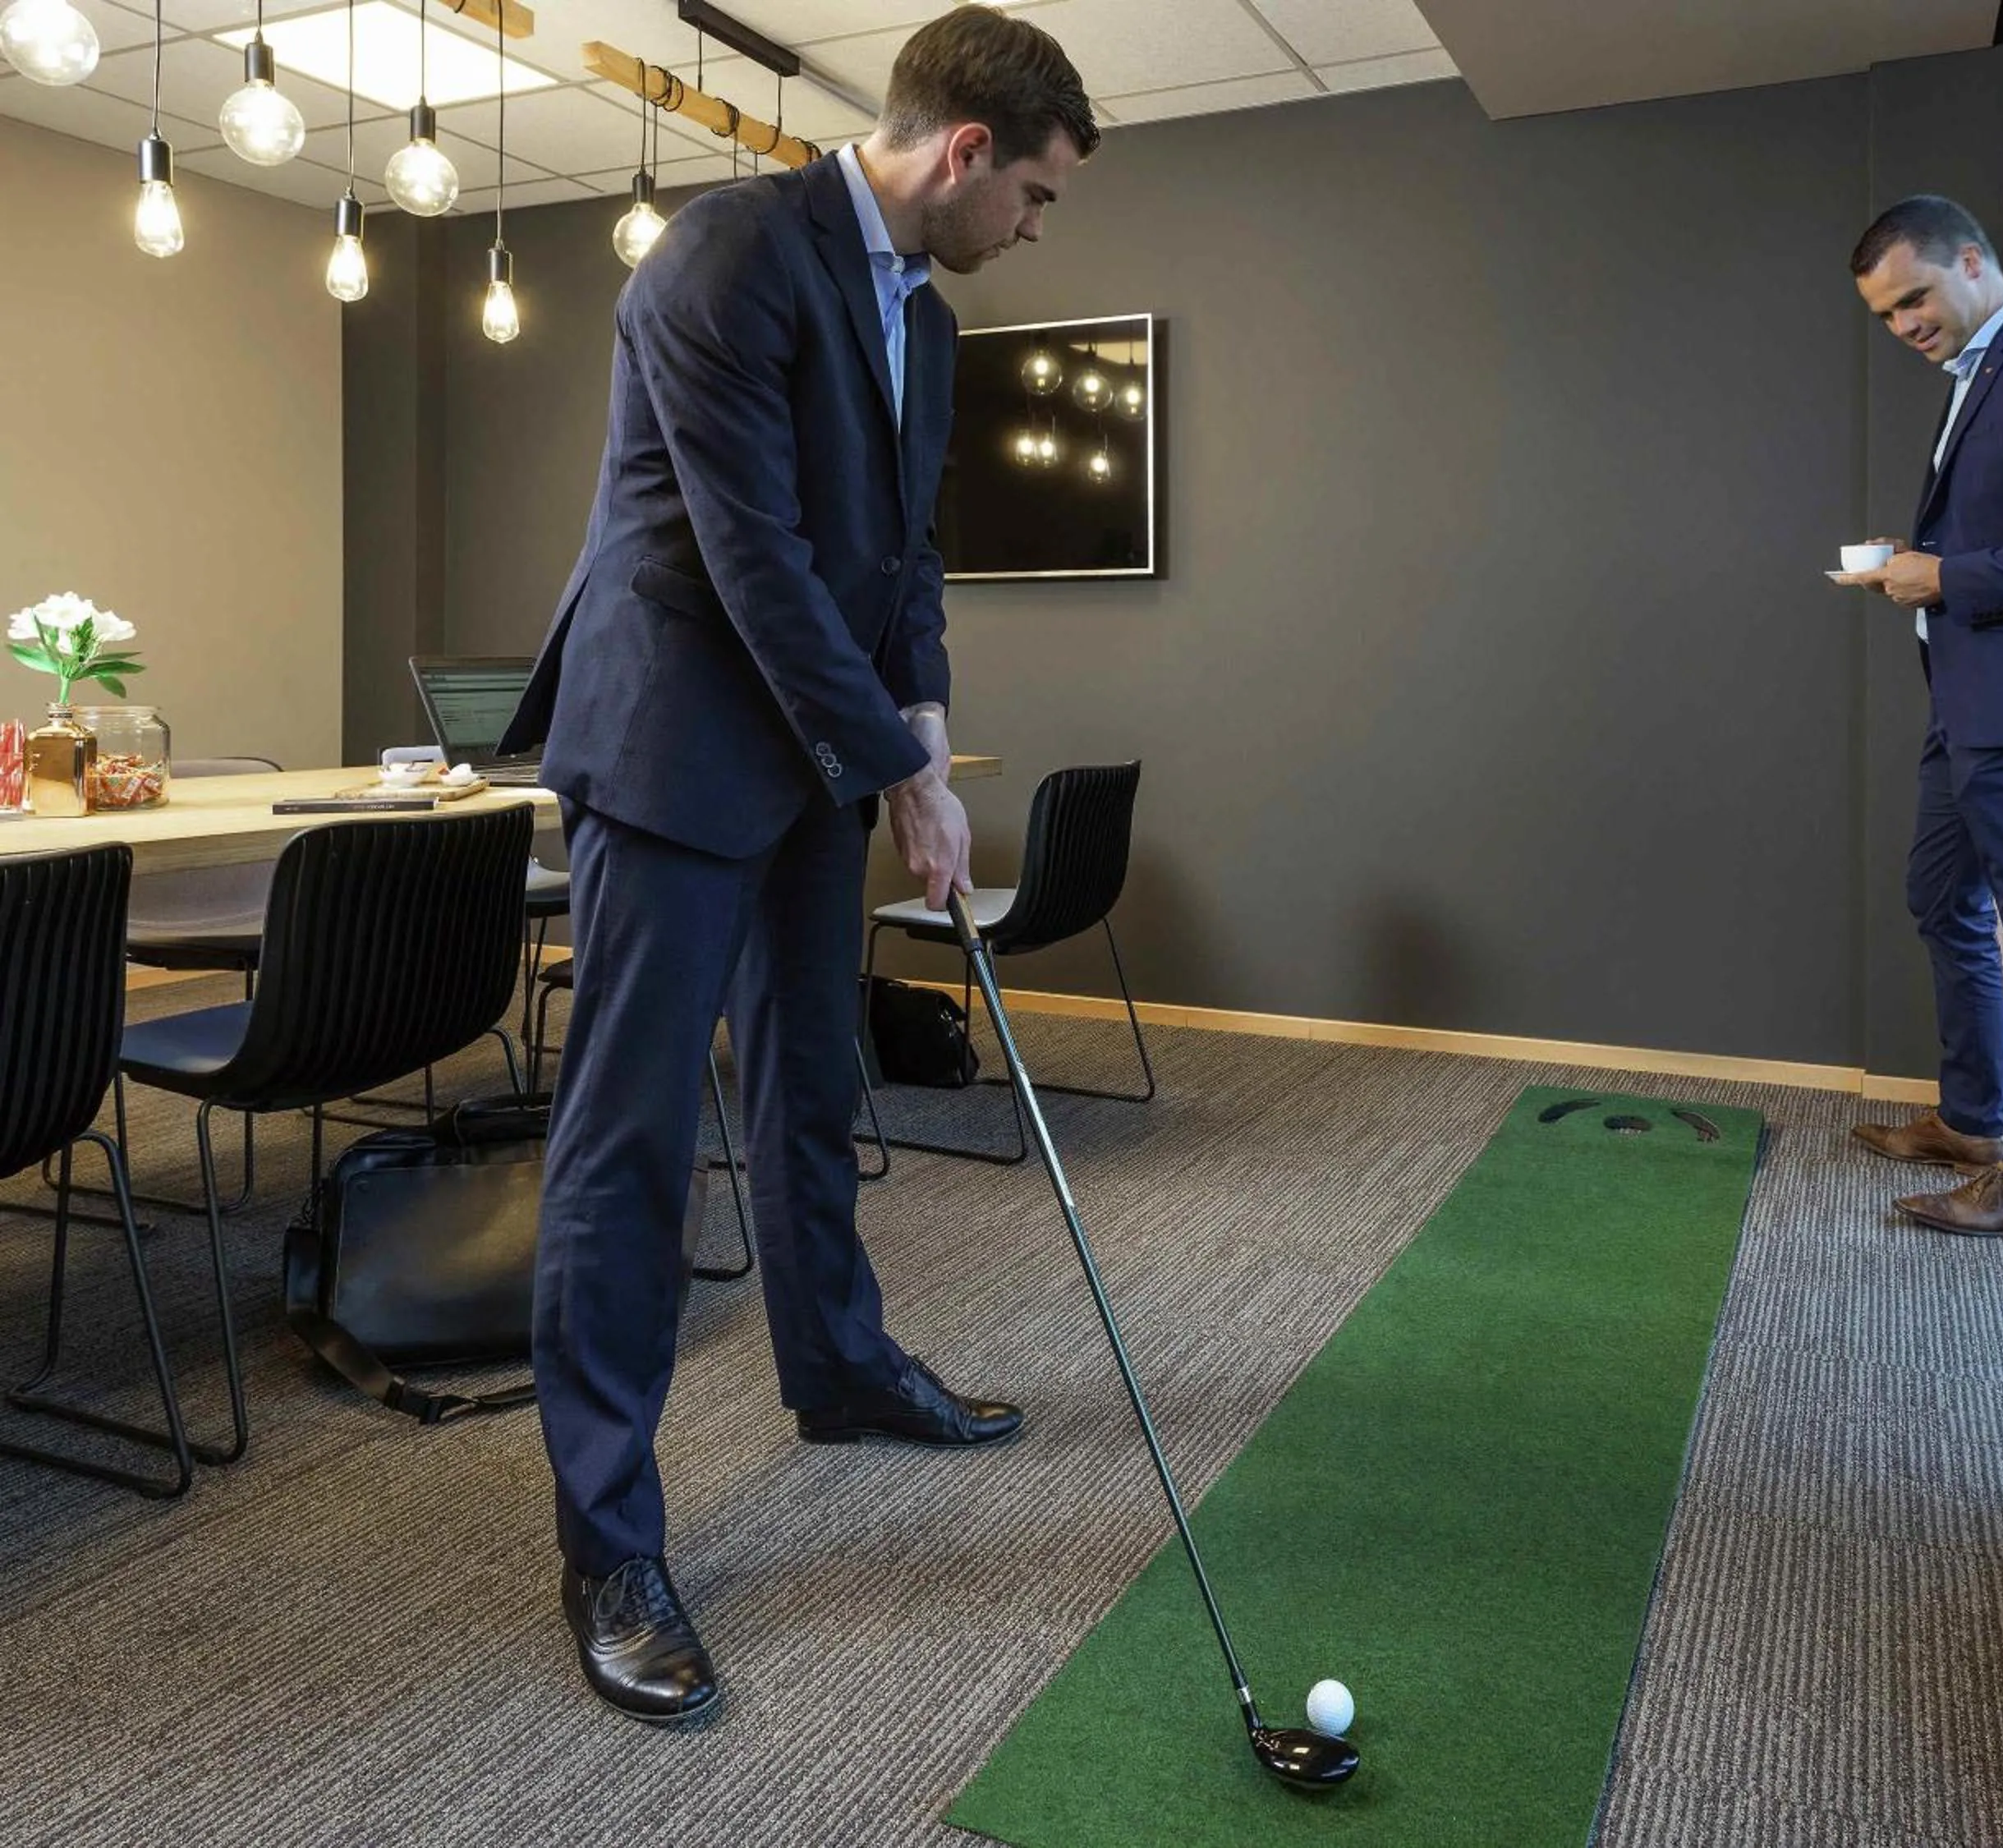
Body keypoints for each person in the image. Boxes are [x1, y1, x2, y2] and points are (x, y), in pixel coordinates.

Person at [498, 7, 1098, 1722]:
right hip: (677, 745)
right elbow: (752, 562)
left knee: (810, 1082)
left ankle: (837, 1367)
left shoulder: (932, 322)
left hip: (803, 762)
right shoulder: (724, 257)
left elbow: (903, 557)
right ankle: (610, 1540)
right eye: (1037, 199)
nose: (1031, 233)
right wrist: (901, 765)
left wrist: (921, 716)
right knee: (633, 1143)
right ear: (965, 152)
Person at [1838, 195, 2003, 1237]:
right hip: (1968, 704)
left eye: (1914, 298)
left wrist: (1944, 575)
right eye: (1885, 315)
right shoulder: (1982, 372)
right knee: (1939, 898)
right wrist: (1919, 575)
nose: (1905, 325)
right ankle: (1972, 1120)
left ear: (1971, 262)